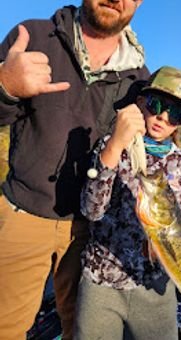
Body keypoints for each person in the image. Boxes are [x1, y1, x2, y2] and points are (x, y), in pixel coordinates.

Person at [0, 1, 148, 339]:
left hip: (91, 232)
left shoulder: (140, 78)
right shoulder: (32, 36)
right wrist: (4, 86)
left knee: (81, 329)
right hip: (22, 214)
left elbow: (151, 167)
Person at [76, 66, 181, 340]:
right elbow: (91, 211)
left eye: (176, 114)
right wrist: (113, 147)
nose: (163, 116)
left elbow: (179, 229)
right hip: (102, 279)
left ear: (180, 124)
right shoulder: (112, 144)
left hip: (154, 288)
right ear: (140, 103)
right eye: (156, 104)